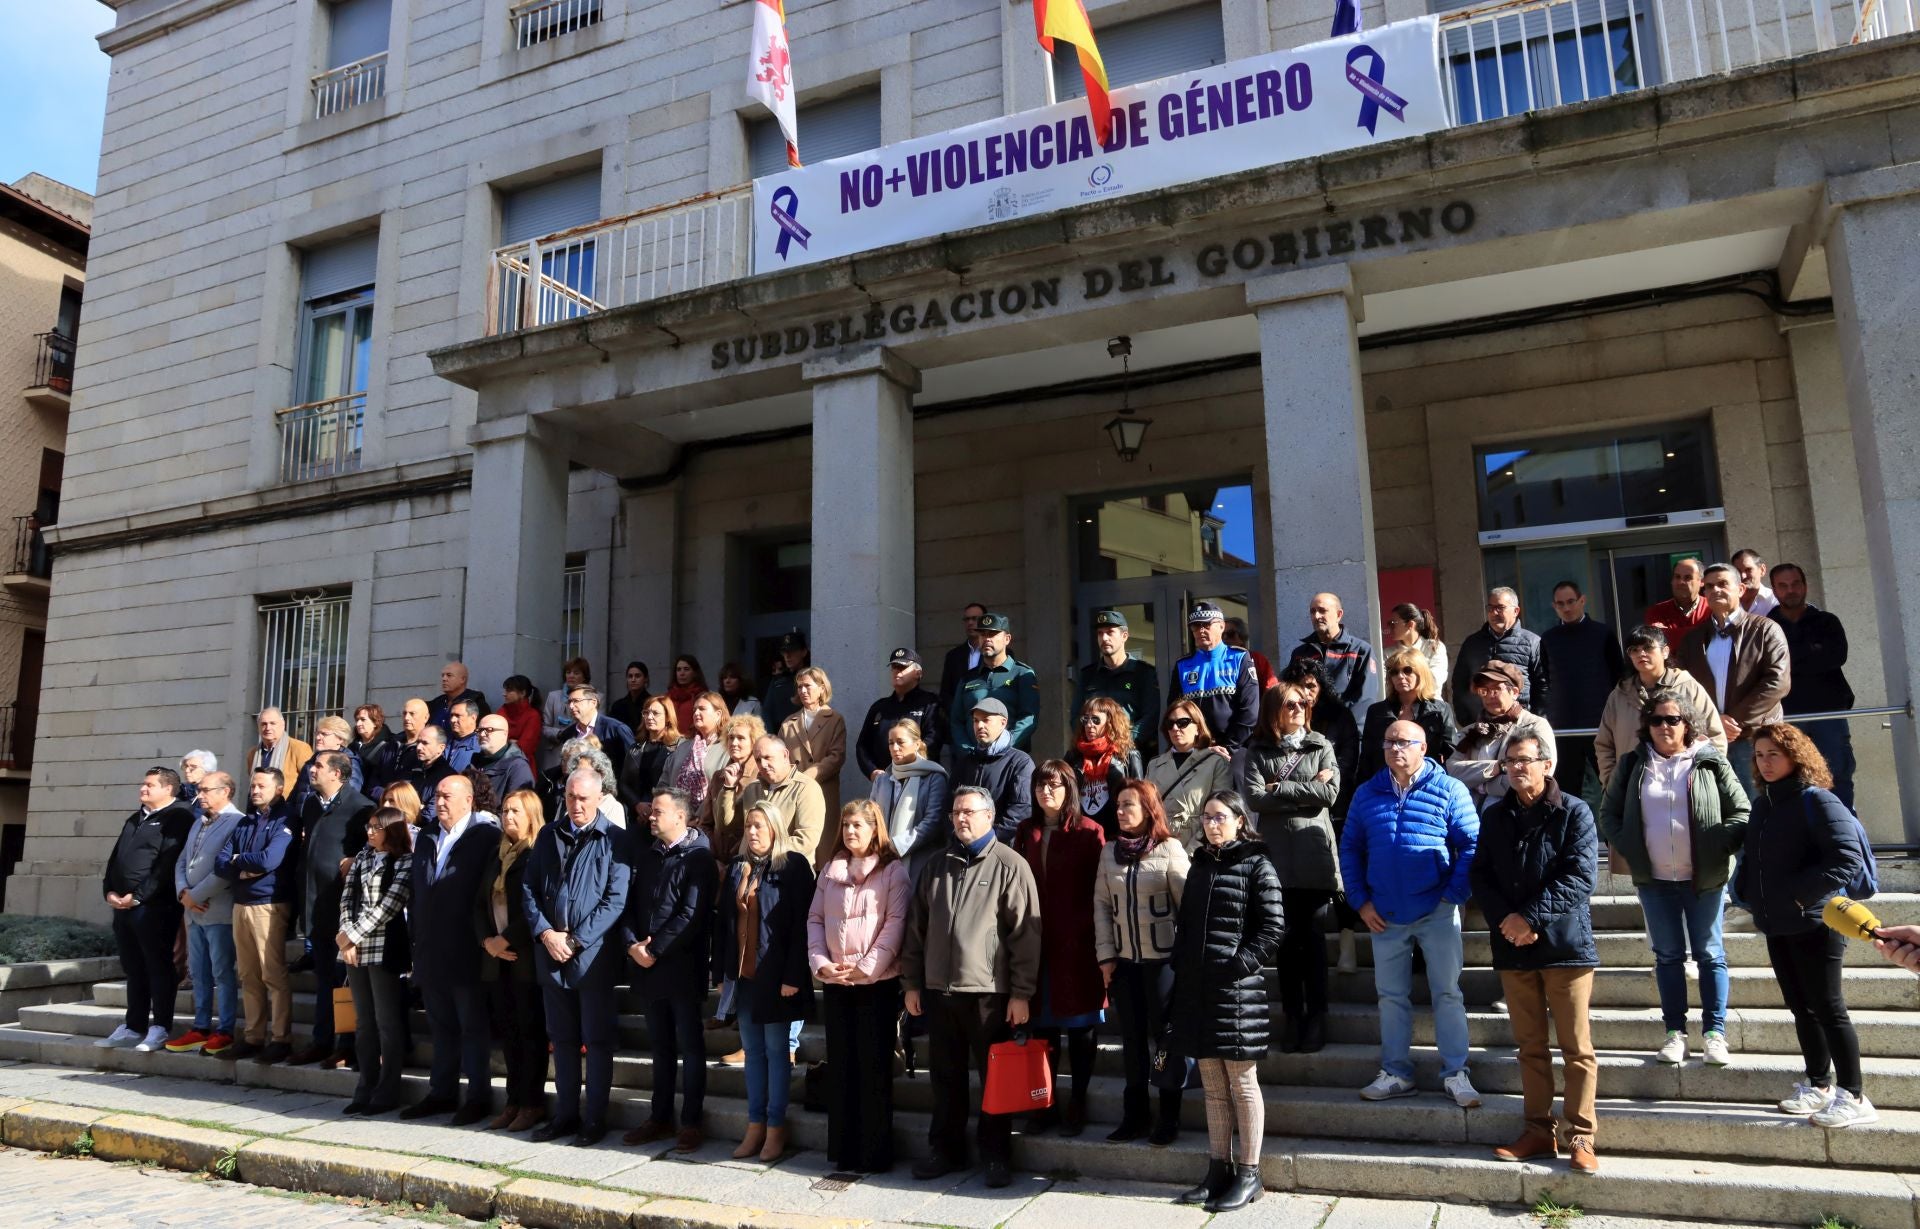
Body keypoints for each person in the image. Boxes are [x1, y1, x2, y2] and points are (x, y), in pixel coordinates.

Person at [900, 785, 1042, 1189]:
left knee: (994, 1082)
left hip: (988, 994)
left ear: (989, 816)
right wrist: (911, 983)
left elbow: (1025, 937)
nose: (961, 818)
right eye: (956, 812)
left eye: (969, 811)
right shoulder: (936, 865)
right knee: (944, 1078)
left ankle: (996, 1156)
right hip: (939, 992)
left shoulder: (1010, 865)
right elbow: (916, 930)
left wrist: (1021, 993)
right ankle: (945, 1150)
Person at [1597, 689, 1749, 1066]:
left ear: (1687, 724)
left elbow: (1742, 811)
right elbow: (1609, 814)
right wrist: (1632, 848)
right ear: (1646, 726)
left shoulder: (1710, 762)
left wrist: (1717, 845)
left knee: (1710, 954)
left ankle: (1715, 1033)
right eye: (1656, 720)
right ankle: (1674, 1033)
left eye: (1673, 719)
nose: (1664, 727)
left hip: (1705, 879)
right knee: (1667, 956)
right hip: (1655, 880)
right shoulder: (1633, 764)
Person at [1471, 734, 1601, 1174]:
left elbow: (1580, 876)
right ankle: (1537, 1131)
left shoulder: (1575, 811)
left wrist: (1529, 918)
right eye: (1509, 761)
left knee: (1576, 1048)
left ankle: (1581, 1135)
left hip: (1565, 947)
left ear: (1548, 765)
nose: (1516, 768)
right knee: (1530, 1046)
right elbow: (1481, 876)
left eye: (1525, 760)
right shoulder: (1495, 815)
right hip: (1514, 948)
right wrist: (1509, 922)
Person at [1737, 723, 1875, 1127]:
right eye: (1759, 756)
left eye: (1773, 755)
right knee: (1802, 1008)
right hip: (1777, 923)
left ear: (1796, 757)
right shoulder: (1764, 804)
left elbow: (1846, 858)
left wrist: (1800, 896)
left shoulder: (1818, 801)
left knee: (1829, 1008)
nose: (1764, 763)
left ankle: (1854, 1094)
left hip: (1817, 922)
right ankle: (1819, 1085)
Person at [1343, 720, 1481, 1107]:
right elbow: (1350, 848)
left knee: (1448, 993)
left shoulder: (1450, 789)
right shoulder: (1367, 793)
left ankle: (1456, 1072)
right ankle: (1397, 1072)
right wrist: (1360, 901)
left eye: (1403, 741)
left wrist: (1452, 896)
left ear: (1424, 748)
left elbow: (1471, 845)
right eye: (1388, 741)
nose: (1394, 748)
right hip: (1383, 913)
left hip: (1436, 909)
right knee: (1390, 997)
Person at [1170, 791, 1284, 1214]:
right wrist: (1181, 964)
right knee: (1213, 1088)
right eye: (1206, 818)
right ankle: (1218, 1168)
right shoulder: (1200, 864)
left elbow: (1272, 929)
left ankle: (1249, 1173)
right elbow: (1186, 924)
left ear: (1240, 820)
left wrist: (1237, 967)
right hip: (1198, 989)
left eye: (1220, 817)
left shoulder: (1257, 864)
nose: (1211, 824)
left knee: (1242, 1083)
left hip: (1236, 991)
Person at [524, 768, 633, 1146]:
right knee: (563, 1039)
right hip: (552, 955)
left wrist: (577, 940)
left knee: (597, 1041)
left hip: (593, 959)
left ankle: (594, 1120)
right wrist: (546, 933)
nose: (576, 805)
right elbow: (529, 888)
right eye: (571, 797)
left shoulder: (616, 840)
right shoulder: (548, 835)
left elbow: (615, 900)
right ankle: (565, 1116)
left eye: (584, 798)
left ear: (600, 798)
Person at [809, 799, 911, 1173]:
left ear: (874, 829)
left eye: (859, 825)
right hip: (837, 982)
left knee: (873, 1068)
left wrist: (866, 968)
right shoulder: (830, 870)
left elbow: (895, 924)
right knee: (842, 1065)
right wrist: (821, 964)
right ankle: (844, 1150)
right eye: (847, 824)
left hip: (876, 985)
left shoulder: (892, 872)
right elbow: (815, 920)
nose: (851, 831)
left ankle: (875, 1152)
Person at [716, 801, 817, 1162]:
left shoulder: (793, 866)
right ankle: (754, 1124)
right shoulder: (739, 868)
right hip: (744, 978)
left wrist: (793, 976)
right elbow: (725, 924)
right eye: (748, 826)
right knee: (753, 1054)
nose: (752, 831)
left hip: (778, 978)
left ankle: (775, 1127)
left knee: (777, 1052)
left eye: (759, 825)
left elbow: (802, 926)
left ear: (775, 828)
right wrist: (723, 974)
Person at [1244, 684, 1340, 1053]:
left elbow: (1330, 795)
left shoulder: (1320, 745)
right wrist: (1305, 788)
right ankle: (1293, 1016)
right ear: (1274, 710)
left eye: (1303, 703)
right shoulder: (1258, 750)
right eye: (1290, 704)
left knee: (1313, 943)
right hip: (1277, 861)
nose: (1299, 709)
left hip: (1315, 857)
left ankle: (1317, 1017)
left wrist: (1279, 789)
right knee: (1284, 944)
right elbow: (1255, 797)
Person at [1093, 779, 1189, 1145]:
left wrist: (1183, 960)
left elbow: (1188, 908)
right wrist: (1105, 955)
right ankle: (1134, 1116)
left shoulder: (1170, 849)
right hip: (1125, 964)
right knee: (1131, 1041)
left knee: (1164, 1040)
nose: (1120, 811)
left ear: (1148, 809)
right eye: (1118, 805)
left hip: (1163, 964)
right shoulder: (1109, 852)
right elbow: (1101, 906)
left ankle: (1169, 1116)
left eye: (1128, 805)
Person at [1014, 762, 1107, 1137]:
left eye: (1053, 786)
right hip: (1036, 945)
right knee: (1043, 1029)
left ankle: (1078, 1101)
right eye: (1040, 786)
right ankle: (1044, 1102)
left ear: (1069, 789)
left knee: (1081, 1028)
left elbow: (1100, 894)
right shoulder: (1025, 832)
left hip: (1079, 945)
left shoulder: (1090, 832)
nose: (1045, 792)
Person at [621, 787, 715, 1152]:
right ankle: (659, 1117)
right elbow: (629, 905)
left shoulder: (698, 858)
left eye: (659, 811)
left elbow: (691, 915)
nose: (651, 816)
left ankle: (691, 1121)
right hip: (647, 967)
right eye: (651, 811)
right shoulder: (648, 856)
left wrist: (654, 949)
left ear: (681, 816)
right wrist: (632, 945)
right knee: (660, 1047)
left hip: (681, 967)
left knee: (690, 1047)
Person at [403, 775, 500, 1123]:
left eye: (447, 796)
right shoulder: (428, 836)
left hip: (466, 949)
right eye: (437, 795)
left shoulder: (487, 837)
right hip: (429, 948)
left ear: (468, 800)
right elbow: (417, 891)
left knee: (472, 1027)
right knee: (441, 1025)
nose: (439, 801)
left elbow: (488, 894)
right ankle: (441, 1092)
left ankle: (477, 1096)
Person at [97, 768, 195, 1053]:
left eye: (150, 785)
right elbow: (115, 859)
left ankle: (160, 1027)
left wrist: (138, 896)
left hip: (154, 907)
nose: (143, 789)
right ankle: (133, 1025)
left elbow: (167, 865)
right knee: (133, 966)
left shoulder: (179, 818)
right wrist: (109, 891)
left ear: (169, 790)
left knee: (158, 966)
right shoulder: (135, 818)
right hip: (123, 906)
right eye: (143, 783)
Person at [1679, 562, 1791, 792]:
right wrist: (1712, 722)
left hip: (1754, 738)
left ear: (1740, 589)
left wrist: (1733, 720)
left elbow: (1778, 682)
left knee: (1757, 806)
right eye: (1709, 586)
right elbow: (1681, 687)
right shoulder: (1693, 639)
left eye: (1722, 584)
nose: (1715, 590)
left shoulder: (1766, 629)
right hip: (1706, 739)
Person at [294, 751, 373, 1068]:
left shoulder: (361, 807)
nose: (312, 770)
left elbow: (371, 855)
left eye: (318, 766)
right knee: (325, 980)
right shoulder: (311, 805)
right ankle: (321, 1040)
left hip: (345, 913)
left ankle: (346, 1044)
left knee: (345, 982)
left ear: (338, 774)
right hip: (316, 909)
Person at [478, 789, 550, 1132]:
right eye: (505, 811)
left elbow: (535, 907)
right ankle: (512, 1100)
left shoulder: (538, 853)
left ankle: (532, 1102)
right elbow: (478, 903)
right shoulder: (496, 853)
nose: (507, 817)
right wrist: (488, 942)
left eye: (515, 812)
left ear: (531, 816)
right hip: (497, 958)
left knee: (529, 1032)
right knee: (507, 1032)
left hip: (524, 957)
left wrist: (506, 940)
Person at [337, 807, 414, 1116]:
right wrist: (346, 935)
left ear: (391, 831)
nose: (369, 833)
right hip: (354, 947)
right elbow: (347, 898)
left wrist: (352, 935)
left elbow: (389, 905)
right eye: (368, 827)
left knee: (386, 1021)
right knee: (363, 1022)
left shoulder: (405, 861)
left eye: (376, 828)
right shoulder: (363, 857)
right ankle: (364, 1086)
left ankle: (388, 1089)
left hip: (384, 946)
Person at [215, 769, 296, 1062]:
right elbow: (220, 862)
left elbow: (269, 860)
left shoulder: (285, 818)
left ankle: (281, 1038)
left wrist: (239, 861)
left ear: (279, 787)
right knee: (248, 974)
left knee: (272, 973)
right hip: (241, 903)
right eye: (253, 785)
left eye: (262, 785)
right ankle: (253, 1036)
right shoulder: (247, 820)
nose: (255, 790)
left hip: (268, 904)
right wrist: (242, 865)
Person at [164, 772, 244, 1055]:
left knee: (222, 972)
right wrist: (183, 893)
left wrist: (195, 896)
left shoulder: (238, 822)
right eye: (199, 790)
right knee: (198, 971)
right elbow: (183, 860)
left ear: (225, 791)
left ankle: (224, 1029)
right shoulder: (198, 821)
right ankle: (200, 1027)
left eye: (206, 790)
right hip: (192, 911)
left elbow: (226, 869)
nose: (200, 795)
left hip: (217, 909)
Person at [1768, 563, 1857, 810]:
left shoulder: (1827, 622)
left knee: (1837, 775)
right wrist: (1811, 652)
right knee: (1792, 779)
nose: (1791, 590)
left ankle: (1843, 838)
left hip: (1829, 712)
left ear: (1805, 586)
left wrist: (1790, 660)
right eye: (1783, 586)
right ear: (1774, 590)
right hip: (1787, 716)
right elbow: (1768, 668)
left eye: (1796, 584)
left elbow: (1836, 657)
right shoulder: (1766, 626)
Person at [1595, 626, 1726, 786]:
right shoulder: (1619, 695)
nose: (1641, 654)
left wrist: (1705, 781)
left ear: (1665, 651)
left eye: (1648, 648)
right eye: (1634, 650)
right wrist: (1611, 783)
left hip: (1683, 785)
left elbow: (1715, 736)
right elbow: (1604, 745)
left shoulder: (1687, 687)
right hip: (1631, 787)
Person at [1541, 580, 1625, 800]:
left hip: (1600, 726)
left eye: (1571, 602)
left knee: (1612, 787)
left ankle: (1614, 835)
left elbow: (1619, 677)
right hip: (1563, 729)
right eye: (1560, 604)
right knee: (1566, 792)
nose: (1567, 608)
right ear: (1554, 606)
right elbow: (1546, 680)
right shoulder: (1548, 639)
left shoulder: (1602, 633)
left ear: (1582, 600)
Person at [1446, 660, 1558, 813]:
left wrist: (1481, 785)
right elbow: (1452, 771)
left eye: (1497, 689)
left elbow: (1536, 777)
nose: (1490, 695)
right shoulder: (1471, 732)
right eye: (1484, 690)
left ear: (1515, 692)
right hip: (1469, 812)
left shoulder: (1535, 726)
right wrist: (1499, 767)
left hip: (1516, 813)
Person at [1169, 602, 1260, 751]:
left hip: (1234, 749)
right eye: (1195, 626)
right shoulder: (1183, 665)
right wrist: (1194, 746)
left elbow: (1250, 710)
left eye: (1206, 625)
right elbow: (1174, 711)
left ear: (1221, 626)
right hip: (1195, 749)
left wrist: (1229, 747)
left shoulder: (1240, 658)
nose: (1200, 630)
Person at [1358, 648, 1459, 782]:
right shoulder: (1377, 711)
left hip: (1427, 782)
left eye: (1407, 670)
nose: (1400, 676)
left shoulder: (1440, 710)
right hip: (1384, 783)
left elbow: (1452, 755)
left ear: (1421, 673)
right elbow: (1367, 757)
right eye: (1394, 672)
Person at [1453, 587, 1548, 726]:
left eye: (1500, 608)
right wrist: (1466, 720)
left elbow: (1542, 686)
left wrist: (1533, 721)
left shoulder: (1533, 643)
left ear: (1516, 611)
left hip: (1520, 725)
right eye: (1490, 608)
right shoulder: (1472, 643)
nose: (1493, 613)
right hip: (1480, 726)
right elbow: (1459, 683)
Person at [869, 718, 950, 880]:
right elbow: (871, 817)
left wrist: (896, 846)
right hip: (881, 859)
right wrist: (878, 847)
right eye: (891, 743)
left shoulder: (934, 777)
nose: (895, 748)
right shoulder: (883, 779)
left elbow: (932, 821)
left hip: (919, 862)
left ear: (917, 744)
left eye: (900, 742)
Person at [1144, 700, 1234, 844]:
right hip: (1161, 844)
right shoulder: (1154, 765)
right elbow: (1146, 810)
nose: (1175, 728)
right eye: (1170, 723)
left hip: (1201, 846)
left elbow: (1220, 811)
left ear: (1198, 728)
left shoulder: (1215, 762)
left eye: (1183, 722)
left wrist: (1194, 850)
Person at [1280, 659, 1360, 820]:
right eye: (1299, 686)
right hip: (1290, 801)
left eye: (1310, 686)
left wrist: (1327, 782)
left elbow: (1348, 761)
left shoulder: (1340, 715)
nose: (1305, 692)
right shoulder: (1281, 717)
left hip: (1334, 800)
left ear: (1321, 688)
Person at [949, 612, 1040, 754]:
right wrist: (968, 751)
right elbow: (956, 721)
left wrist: (1005, 746)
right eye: (983, 634)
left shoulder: (1022, 674)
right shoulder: (968, 678)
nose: (987, 639)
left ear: (1007, 639)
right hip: (973, 760)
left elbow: (1028, 718)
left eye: (992, 634)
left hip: (1010, 759)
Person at [1078, 610, 1162, 758]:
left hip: (1130, 753)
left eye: (1110, 632)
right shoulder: (1088, 675)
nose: (1104, 638)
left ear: (1124, 636)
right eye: (1100, 633)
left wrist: (1120, 743)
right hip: (1093, 755)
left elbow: (1150, 716)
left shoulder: (1143, 673)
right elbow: (1076, 716)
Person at [950, 698, 1034, 842]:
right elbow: (949, 806)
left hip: (1004, 849)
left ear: (1003, 723)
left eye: (986, 720)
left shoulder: (1021, 762)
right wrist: (959, 839)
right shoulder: (965, 762)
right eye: (976, 721)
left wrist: (987, 840)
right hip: (964, 848)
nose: (979, 725)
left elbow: (1020, 811)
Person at [1288, 591, 1380, 723]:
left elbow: (1365, 699)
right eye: (1312, 611)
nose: (1316, 616)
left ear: (1338, 615)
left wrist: (1343, 730)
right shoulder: (1300, 653)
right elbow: (1292, 691)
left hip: (1348, 733)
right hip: (1309, 731)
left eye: (1322, 610)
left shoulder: (1361, 650)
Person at [856, 648, 945, 777]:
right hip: (885, 780)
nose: (897, 671)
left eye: (902, 667)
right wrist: (872, 771)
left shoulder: (930, 704)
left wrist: (909, 765)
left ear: (918, 673)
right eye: (894, 667)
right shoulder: (880, 707)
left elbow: (933, 740)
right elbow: (862, 745)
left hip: (921, 778)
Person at [744, 736, 829, 869]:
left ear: (785, 755)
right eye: (758, 760)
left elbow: (806, 840)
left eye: (768, 757)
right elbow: (730, 828)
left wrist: (764, 851)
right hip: (748, 870)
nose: (763, 764)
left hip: (786, 873)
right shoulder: (752, 789)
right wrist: (728, 789)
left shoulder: (806, 788)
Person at [780, 666, 848, 827]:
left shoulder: (834, 719)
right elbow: (780, 757)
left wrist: (809, 775)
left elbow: (836, 757)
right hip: (793, 793)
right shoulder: (788, 722)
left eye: (807, 686)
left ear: (821, 688)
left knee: (823, 846)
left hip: (823, 791)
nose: (802, 690)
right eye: (799, 686)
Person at [1070, 696, 1142, 836]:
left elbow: (1139, 799)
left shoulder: (1128, 755)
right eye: (1085, 719)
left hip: (1115, 832)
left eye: (1095, 720)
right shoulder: (1074, 756)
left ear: (1110, 722)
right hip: (1081, 832)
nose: (1089, 725)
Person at [703, 714, 766, 864]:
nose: (734, 743)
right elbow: (705, 824)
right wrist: (714, 856)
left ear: (754, 742)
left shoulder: (762, 775)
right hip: (716, 859)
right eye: (730, 738)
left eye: (741, 738)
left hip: (747, 859)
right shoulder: (718, 776)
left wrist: (741, 851)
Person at [667, 690, 730, 816]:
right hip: (676, 818)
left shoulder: (728, 748)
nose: (696, 713)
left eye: (702, 709)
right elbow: (665, 780)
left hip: (709, 819)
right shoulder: (683, 747)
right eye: (694, 709)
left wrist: (697, 817)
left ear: (718, 714)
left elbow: (723, 789)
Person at [619, 695, 684, 815]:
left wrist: (654, 807)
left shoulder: (679, 747)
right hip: (637, 815)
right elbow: (623, 783)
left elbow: (678, 784)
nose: (649, 717)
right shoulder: (635, 748)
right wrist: (637, 805)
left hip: (667, 813)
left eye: (655, 713)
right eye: (646, 713)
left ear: (668, 717)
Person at [563, 685, 636, 781]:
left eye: (576, 701)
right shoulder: (568, 733)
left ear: (593, 703)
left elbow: (633, 766)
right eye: (569, 702)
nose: (571, 706)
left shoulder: (616, 729)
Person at [935, 602, 988, 728]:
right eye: (967, 619)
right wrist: (957, 714)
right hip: (960, 725)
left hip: (988, 722)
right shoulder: (953, 656)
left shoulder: (1000, 653)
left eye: (975, 619)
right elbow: (945, 693)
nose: (970, 623)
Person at [1644, 557, 1711, 648]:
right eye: (1677, 577)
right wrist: (1701, 632)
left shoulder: (1712, 608)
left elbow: (1714, 639)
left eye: (1688, 577)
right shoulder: (1656, 611)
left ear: (1702, 582)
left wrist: (1668, 633)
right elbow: (1656, 645)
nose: (1681, 582)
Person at [249, 707, 312, 800]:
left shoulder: (299, 748)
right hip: (258, 808)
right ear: (258, 727)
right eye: (263, 724)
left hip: (287, 809)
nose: (268, 728)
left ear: (283, 725)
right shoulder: (253, 753)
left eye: (272, 723)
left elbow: (310, 782)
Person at [473, 712, 536, 804]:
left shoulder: (518, 767)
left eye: (489, 730)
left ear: (504, 734)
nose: (482, 734)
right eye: (479, 730)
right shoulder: (474, 762)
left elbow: (516, 809)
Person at [1385, 602, 1449, 692]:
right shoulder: (1387, 654)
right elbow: (1385, 686)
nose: (1389, 627)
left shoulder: (1434, 647)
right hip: (1399, 705)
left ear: (1410, 625)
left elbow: (1436, 680)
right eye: (1396, 672)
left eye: (1393, 623)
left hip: (1430, 704)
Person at [546, 658, 595, 769]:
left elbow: (596, 724)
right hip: (557, 753)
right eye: (568, 672)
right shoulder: (553, 696)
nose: (571, 676)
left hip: (584, 752)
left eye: (576, 673)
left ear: (585, 676)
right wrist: (559, 734)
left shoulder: (596, 697)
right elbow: (544, 726)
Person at [763, 631, 811, 732]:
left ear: (804, 652)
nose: (787, 655)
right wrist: (772, 737)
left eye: (792, 651)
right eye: (784, 652)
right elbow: (767, 711)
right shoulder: (777, 681)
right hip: (779, 738)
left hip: (804, 736)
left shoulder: (812, 679)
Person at [407, 726, 458, 819]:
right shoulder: (412, 768)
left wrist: (410, 809)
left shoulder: (447, 778)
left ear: (441, 748)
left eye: (425, 743)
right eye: (418, 742)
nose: (418, 747)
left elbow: (429, 816)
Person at [351, 705, 399, 799]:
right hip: (354, 797)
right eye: (357, 720)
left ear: (375, 722)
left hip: (373, 798)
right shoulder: (352, 746)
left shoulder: (389, 745)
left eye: (363, 719)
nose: (358, 724)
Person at [428, 661, 490, 732]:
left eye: (449, 675)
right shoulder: (437, 702)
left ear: (462, 679)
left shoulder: (475, 702)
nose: (444, 679)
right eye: (443, 675)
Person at [1223, 616, 1277, 694]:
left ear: (1241, 637)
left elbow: (1271, 690)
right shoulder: (1214, 661)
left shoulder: (1257, 659)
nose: (1224, 638)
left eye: (1230, 634)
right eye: (1221, 635)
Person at [499, 675, 544, 764]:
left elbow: (524, 748)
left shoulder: (533, 716)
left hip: (522, 764)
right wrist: (512, 742)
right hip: (500, 763)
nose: (504, 694)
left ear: (523, 693)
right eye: (505, 690)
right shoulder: (503, 710)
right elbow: (493, 739)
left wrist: (505, 741)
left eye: (509, 690)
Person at [665, 654, 708, 735]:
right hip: (670, 741)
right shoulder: (668, 697)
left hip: (693, 741)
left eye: (686, 669)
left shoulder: (702, 697)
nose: (682, 673)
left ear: (695, 673)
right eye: (678, 670)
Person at [394, 698, 432, 785]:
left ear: (426, 717)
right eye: (404, 713)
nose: (407, 718)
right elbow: (378, 773)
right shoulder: (393, 743)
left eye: (412, 714)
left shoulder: (430, 747)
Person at [607, 660, 651, 732]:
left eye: (637, 676)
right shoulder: (618, 705)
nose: (633, 680)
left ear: (645, 679)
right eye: (630, 676)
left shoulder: (651, 703)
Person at [1733, 547, 1778, 617]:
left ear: (1762, 570)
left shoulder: (1774, 600)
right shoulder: (1729, 600)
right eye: (1738, 571)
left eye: (1748, 570)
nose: (1743, 576)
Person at [446, 698, 483, 773]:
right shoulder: (444, 742)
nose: (452, 720)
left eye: (458, 715)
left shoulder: (480, 746)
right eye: (451, 715)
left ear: (473, 718)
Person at [178, 750, 216, 815]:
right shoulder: (180, 790)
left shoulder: (215, 792)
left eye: (193, 767)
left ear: (207, 770)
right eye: (186, 766)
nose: (187, 770)